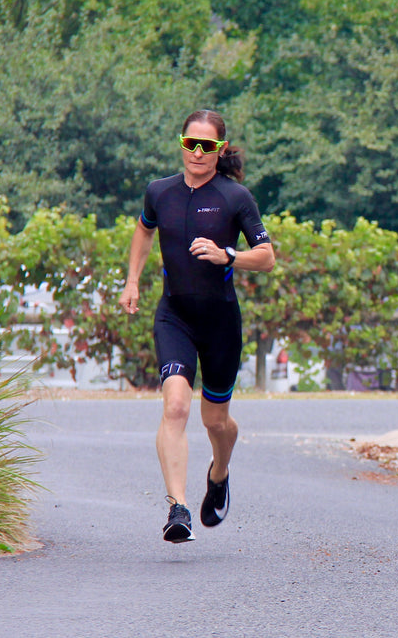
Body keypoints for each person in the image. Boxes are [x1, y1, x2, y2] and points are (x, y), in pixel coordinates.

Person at [119, 109, 275, 543]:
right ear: (181, 144)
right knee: (175, 407)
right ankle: (178, 508)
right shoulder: (159, 192)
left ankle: (219, 473)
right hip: (175, 316)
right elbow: (143, 231)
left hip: (221, 321)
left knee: (215, 422)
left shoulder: (235, 197)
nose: (199, 154)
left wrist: (229, 255)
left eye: (208, 146)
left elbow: (266, 257)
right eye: (192, 144)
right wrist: (132, 281)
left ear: (220, 149)